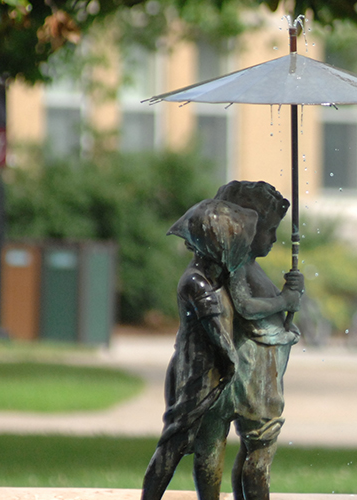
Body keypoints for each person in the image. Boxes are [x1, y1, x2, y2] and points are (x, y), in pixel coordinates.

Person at [142, 198, 258, 500]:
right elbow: (217, 333)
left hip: (215, 371)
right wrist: (233, 363)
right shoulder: (196, 283)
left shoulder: (218, 277)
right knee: (174, 443)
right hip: (196, 373)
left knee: (196, 442)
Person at [207, 180, 304, 500]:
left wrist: (288, 293)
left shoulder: (246, 266)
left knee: (253, 450)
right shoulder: (236, 266)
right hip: (253, 374)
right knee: (260, 451)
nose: (274, 238)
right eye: (269, 230)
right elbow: (246, 307)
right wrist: (284, 301)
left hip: (260, 369)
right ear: (245, 229)